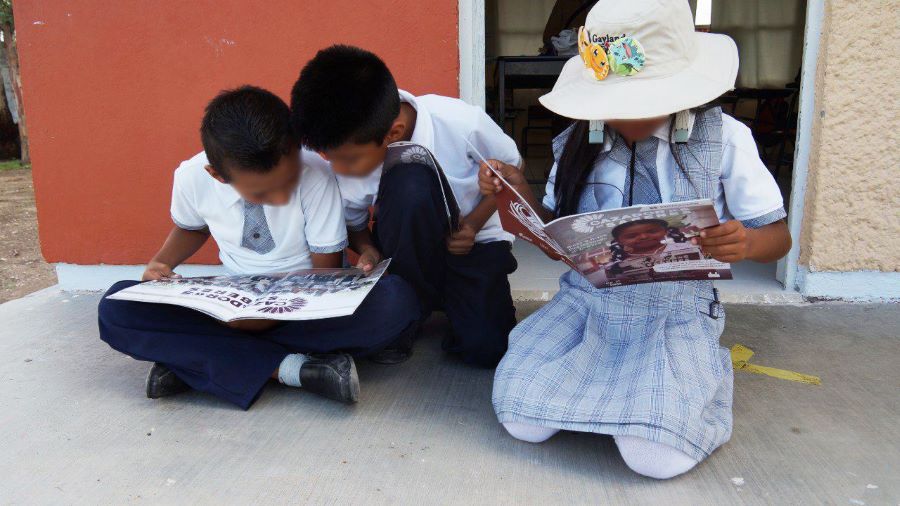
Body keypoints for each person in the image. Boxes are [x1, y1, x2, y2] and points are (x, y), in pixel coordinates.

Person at [480, 0, 791, 479]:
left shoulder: (725, 138)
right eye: (613, 106)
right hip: (588, 306)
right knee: (519, 413)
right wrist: (517, 197)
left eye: (643, 103)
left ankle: (696, 376)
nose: (626, 119)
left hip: (675, 313)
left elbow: (779, 237)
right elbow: (561, 237)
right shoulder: (577, 142)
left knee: (654, 457)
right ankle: (625, 396)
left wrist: (746, 244)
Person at [98, 86, 420, 409]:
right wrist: (160, 263)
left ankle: (197, 363)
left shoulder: (314, 174)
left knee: (396, 301)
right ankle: (293, 369)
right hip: (230, 305)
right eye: (263, 192)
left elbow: (326, 275)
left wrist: (263, 320)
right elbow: (191, 227)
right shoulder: (191, 177)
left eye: (285, 182)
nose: (279, 195)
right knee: (115, 307)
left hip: (303, 306)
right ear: (217, 175)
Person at [290, 45, 522, 367]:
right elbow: (354, 222)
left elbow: (512, 170)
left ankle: (448, 303)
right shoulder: (351, 143)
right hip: (405, 255)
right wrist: (367, 248)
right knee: (409, 185)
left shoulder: (459, 121)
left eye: (347, 159)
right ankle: (412, 309)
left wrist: (474, 224)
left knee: (487, 349)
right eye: (332, 159)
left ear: (392, 134)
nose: (338, 169)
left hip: (473, 247)